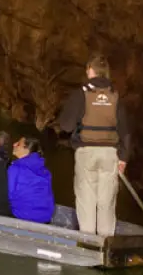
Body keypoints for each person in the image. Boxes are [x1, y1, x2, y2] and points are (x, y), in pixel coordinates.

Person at [56, 53, 132, 236]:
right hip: (110, 154)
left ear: (90, 70)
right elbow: (126, 131)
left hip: (86, 151)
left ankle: (88, 243)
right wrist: (123, 158)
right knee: (106, 202)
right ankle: (106, 242)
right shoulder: (115, 95)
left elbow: (65, 125)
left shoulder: (81, 93)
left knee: (86, 199)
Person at [7, 136, 54, 224]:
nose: (14, 144)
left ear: (27, 149)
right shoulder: (44, 170)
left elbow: (8, 194)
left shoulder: (16, 168)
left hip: (22, 216)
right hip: (45, 218)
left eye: (18, 144)